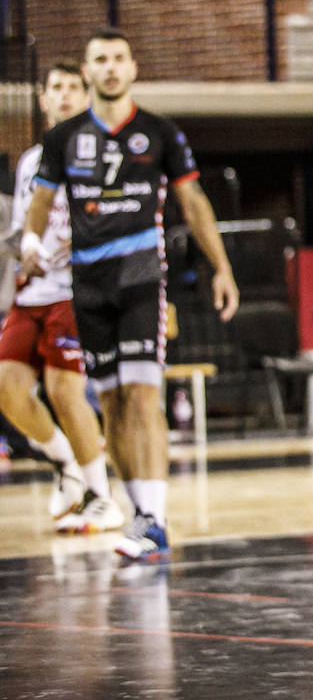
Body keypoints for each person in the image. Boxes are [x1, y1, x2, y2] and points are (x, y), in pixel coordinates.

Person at [22, 28, 240, 561]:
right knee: (113, 402)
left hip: (142, 279)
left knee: (144, 395)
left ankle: (157, 517)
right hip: (87, 287)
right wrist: (29, 241)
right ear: (88, 70)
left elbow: (193, 203)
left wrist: (222, 268)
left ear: (133, 68)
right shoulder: (63, 138)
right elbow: (41, 199)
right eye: (101, 59)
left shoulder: (160, 132)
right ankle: (137, 510)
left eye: (120, 58)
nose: (111, 68)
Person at [0, 62, 121, 534]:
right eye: (57, 88)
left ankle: (102, 496)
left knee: (64, 391)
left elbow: (123, 212)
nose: (66, 95)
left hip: (78, 289)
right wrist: (23, 251)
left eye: (75, 87)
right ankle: (67, 465)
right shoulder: (31, 160)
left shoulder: (100, 151)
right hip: (33, 292)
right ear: (43, 100)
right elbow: (18, 233)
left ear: (86, 96)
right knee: (7, 385)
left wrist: (92, 237)